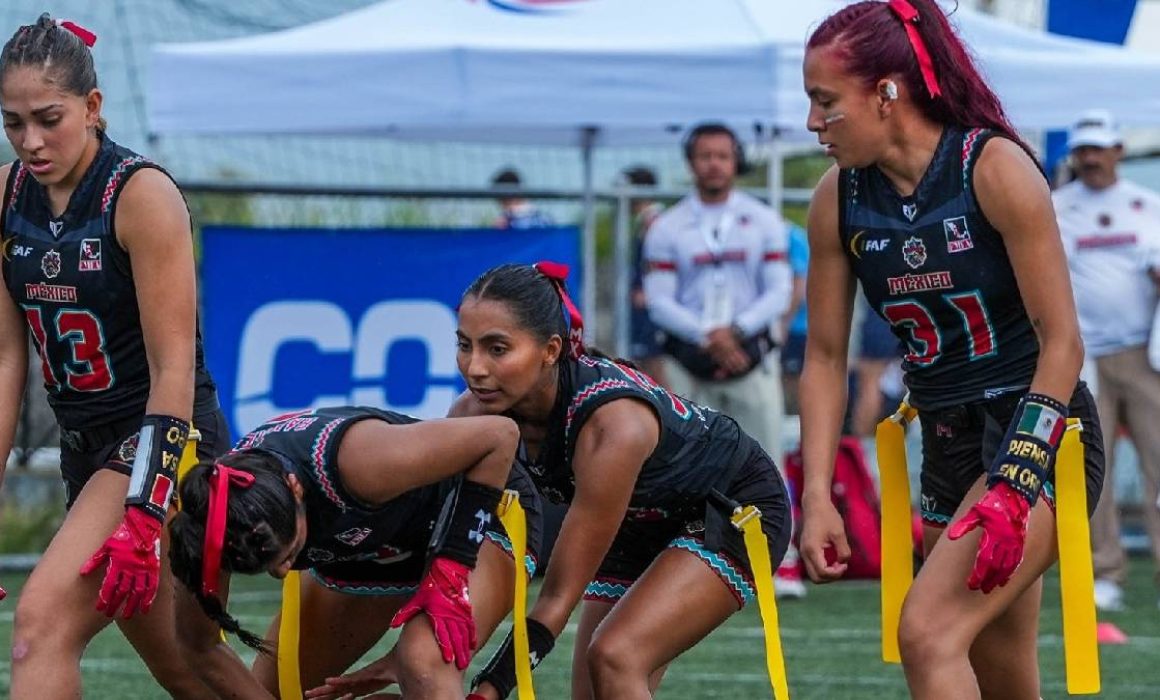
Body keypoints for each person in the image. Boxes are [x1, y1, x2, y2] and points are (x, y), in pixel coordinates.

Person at [798, 2, 1105, 698]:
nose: (813, 123)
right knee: (1001, 673)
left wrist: (1014, 479)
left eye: (824, 102)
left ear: (886, 92)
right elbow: (823, 356)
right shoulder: (836, 200)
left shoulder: (993, 168)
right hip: (945, 440)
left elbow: (1063, 343)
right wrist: (817, 493)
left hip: (1041, 431)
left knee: (927, 632)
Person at [0, 15, 229, 698]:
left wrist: (145, 505)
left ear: (93, 107)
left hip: (159, 441)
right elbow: (6, 365)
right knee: (189, 671)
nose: (31, 142)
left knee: (40, 627)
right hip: (84, 448)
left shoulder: (141, 194)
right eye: (12, 123)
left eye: (49, 118)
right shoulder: (7, 196)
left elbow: (175, 373)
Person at [454, 262, 791, 699]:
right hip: (641, 518)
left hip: (732, 504)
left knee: (616, 655)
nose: (475, 368)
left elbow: (557, 599)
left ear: (551, 350)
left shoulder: (611, 428)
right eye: (465, 345)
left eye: (497, 349)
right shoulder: (473, 414)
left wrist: (492, 687)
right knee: (593, 689)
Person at [168, 406, 543, 699]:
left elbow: (499, 436)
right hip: (367, 548)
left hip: (481, 508)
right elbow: (198, 646)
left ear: (296, 488)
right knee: (273, 692)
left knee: (424, 661)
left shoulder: (358, 461)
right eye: (267, 567)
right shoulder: (210, 527)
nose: (282, 573)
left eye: (289, 555)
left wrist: (450, 572)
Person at [1054, 109, 1160, 612]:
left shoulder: (1147, 205)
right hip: (1081, 354)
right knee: (1094, 467)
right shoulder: (1055, 206)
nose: (1090, 157)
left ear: (1118, 150)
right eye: (1083, 149)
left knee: (1158, 462)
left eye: (1099, 148)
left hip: (1143, 353)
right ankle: (1105, 569)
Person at [643, 122, 792, 462]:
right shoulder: (667, 227)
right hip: (688, 359)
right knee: (687, 465)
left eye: (723, 156)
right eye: (705, 156)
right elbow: (659, 302)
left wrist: (736, 331)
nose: (714, 164)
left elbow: (778, 293)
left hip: (752, 357)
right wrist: (711, 337)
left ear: (735, 160)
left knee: (765, 462)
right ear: (690, 162)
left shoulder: (764, 220)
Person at [622, 165, 668, 387]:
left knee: (655, 364)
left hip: (651, 308)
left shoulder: (655, 222)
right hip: (644, 307)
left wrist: (649, 290)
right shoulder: (645, 222)